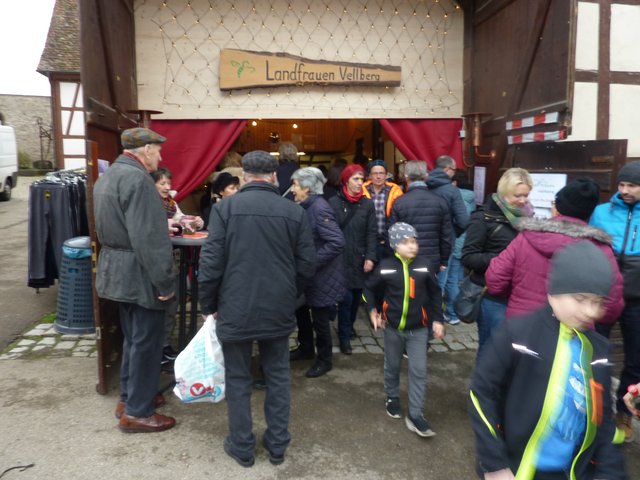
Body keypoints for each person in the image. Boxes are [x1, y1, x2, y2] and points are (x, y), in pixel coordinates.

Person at [469, 241, 627, 480]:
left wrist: (610, 472)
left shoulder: (598, 351)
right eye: (581, 299)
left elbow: (601, 421)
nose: (590, 311)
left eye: (598, 302)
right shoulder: (518, 334)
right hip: (514, 469)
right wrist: (494, 463)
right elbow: (481, 393)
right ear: (553, 292)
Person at [198, 150, 315, 467]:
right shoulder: (293, 212)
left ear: (245, 177)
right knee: (277, 376)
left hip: (235, 306)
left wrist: (208, 305)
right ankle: (277, 446)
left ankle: (242, 446)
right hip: (277, 306)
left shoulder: (225, 210)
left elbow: (210, 265)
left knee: (237, 378)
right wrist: (291, 297)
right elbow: (307, 265)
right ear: (275, 176)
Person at [93, 127, 176, 433]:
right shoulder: (139, 180)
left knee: (134, 340)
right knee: (146, 342)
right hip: (139, 274)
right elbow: (149, 240)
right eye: (157, 150)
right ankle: (138, 412)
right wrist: (165, 283)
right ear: (144, 151)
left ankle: (129, 399)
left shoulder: (110, 176)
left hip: (118, 270)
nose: (160, 155)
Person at [486, 177, 624, 324]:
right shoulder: (600, 249)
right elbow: (612, 305)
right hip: (572, 330)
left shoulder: (526, 237)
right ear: (590, 211)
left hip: (522, 325)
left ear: (558, 205)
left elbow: (495, 279)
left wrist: (518, 296)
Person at [363, 222, 445, 438]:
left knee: (419, 371)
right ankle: (392, 397)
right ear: (394, 245)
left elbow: (436, 294)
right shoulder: (386, 266)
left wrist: (437, 320)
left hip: (419, 331)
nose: (412, 246)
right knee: (392, 366)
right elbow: (368, 289)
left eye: (414, 241)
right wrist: (372, 310)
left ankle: (416, 415)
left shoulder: (425, 266)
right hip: (392, 329)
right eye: (406, 242)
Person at [590, 160, 640, 442]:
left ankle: (624, 412)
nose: (624, 190)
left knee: (635, 360)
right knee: (596, 353)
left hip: (637, 301)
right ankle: (594, 410)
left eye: (631, 185)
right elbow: (589, 245)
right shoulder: (601, 212)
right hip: (605, 295)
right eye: (621, 185)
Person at [462, 167, 533, 355]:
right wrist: (503, 259)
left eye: (526, 195)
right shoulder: (482, 218)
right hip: (492, 297)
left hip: (520, 294)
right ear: (504, 193)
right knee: (490, 352)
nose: (523, 201)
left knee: (513, 352)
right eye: (518, 195)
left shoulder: (528, 217)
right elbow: (468, 257)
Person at [289, 167, 346, 378]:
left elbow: (337, 242)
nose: (292, 189)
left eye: (295, 185)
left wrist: (311, 262)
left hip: (321, 276)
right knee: (301, 312)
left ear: (306, 188)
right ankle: (305, 348)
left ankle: (324, 360)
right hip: (309, 276)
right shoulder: (306, 205)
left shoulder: (320, 208)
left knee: (320, 321)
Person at [150, 167, 204, 368]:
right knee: (161, 305)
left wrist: (194, 222)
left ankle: (164, 346)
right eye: (162, 183)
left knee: (172, 304)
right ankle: (157, 348)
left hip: (173, 259)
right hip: (157, 261)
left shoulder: (171, 203)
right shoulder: (147, 202)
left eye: (168, 183)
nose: (167, 187)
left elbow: (181, 219)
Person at [328, 163, 377, 354]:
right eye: (356, 179)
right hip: (340, 259)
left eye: (362, 179)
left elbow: (372, 233)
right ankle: (344, 336)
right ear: (346, 180)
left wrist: (371, 257)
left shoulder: (367, 204)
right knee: (345, 300)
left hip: (360, 258)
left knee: (356, 299)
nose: (360, 183)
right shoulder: (334, 203)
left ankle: (348, 326)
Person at [426, 156, 471, 325]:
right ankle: (440, 317)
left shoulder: (424, 185)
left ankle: (425, 314)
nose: (454, 174)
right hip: (445, 242)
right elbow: (464, 221)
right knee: (443, 281)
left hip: (425, 241)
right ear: (447, 170)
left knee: (427, 279)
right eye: (453, 170)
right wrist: (454, 233)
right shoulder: (452, 191)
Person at [389, 160, 452, 275]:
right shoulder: (440, 202)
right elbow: (446, 236)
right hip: (432, 260)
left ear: (405, 177)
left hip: (407, 259)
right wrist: (444, 260)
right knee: (430, 291)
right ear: (426, 176)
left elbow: (393, 235)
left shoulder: (399, 203)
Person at [439, 175, 476, 324]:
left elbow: (457, 222)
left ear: (455, 183)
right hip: (464, 243)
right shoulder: (471, 199)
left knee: (448, 281)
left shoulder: (455, 197)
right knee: (457, 280)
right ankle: (455, 313)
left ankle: (451, 313)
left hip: (453, 244)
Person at [363, 159, 404, 260]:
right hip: (367, 241)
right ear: (369, 176)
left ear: (386, 175)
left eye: (381, 173)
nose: (378, 176)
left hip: (387, 241)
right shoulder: (362, 190)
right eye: (375, 173)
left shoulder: (395, 191)